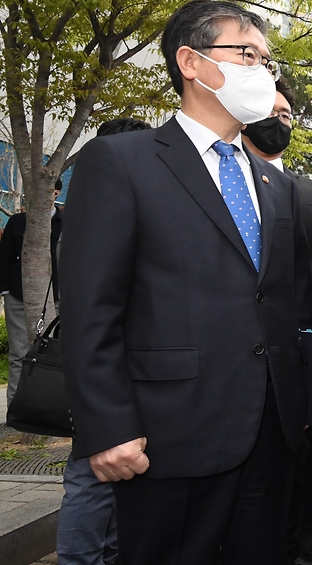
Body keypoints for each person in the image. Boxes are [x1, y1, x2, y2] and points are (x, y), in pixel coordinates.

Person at [59, 0, 312, 565]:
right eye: (247, 53)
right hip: (168, 434)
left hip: (270, 434)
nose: (264, 71)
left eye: (268, 61)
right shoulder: (121, 161)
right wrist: (106, 426)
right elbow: (90, 306)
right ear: (191, 63)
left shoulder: (274, 184)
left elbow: (283, 299)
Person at [238, 77, 312, 564]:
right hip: (233, 346)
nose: (279, 120)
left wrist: (285, 300)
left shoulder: (309, 192)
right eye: (272, 111)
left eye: (287, 115)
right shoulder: (216, 181)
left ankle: (307, 523)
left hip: (300, 338)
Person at [56, 118, 150, 565]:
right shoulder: (97, 213)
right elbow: (90, 311)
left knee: (113, 493)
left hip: (135, 378)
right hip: (109, 379)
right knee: (91, 478)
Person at [0, 178, 62, 407]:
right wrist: (6, 291)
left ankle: (48, 408)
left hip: (56, 298)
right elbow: (4, 259)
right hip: (18, 296)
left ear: (55, 193)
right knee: (19, 354)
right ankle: (16, 410)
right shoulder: (17, 222)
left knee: (52, 354)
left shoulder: (67, 223)